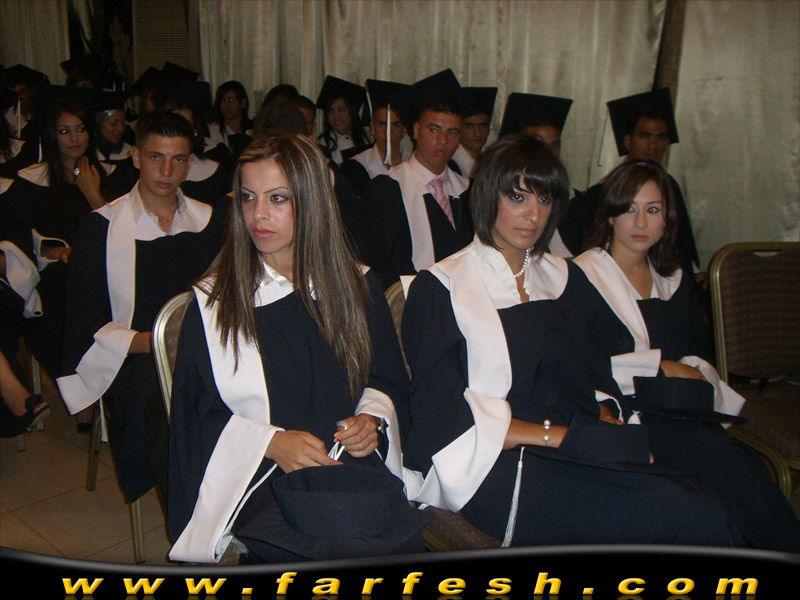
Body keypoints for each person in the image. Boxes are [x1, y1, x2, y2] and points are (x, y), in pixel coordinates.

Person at [401, 134, 739, 547]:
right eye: (518, 197)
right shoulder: (442, 287)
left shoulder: (563, 277)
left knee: (702, 494)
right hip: (493, 463)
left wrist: (603, 418)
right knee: (680, 512)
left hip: (573, 442)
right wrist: (561, 437)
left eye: (545, 200)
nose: (533, 215)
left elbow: (596, 371)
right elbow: (442, 422)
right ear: (488, 195)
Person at [167, 132, 414, 563]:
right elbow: (195, 418)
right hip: (261, 476)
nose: (258, 214)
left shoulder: (356, 286)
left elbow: (386, 377)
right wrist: (270, 442)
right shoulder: (214, 305)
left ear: (313, 202)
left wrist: (371, 418)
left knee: (394, 540)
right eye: (248, 197)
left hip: (348, 463)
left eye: (278, 198)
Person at [572, 160, 800, 553]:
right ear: (609, 215)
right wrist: (657, 367)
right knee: (723, 468)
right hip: (624, 411)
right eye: (629, 208)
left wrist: (689, 369)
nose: (640, 222)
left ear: (668, 218)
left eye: (653, 209)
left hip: (681, 409)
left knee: (738, 467)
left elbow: (699, 349)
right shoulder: (581, 277)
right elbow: (581, 363)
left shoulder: (672, 278)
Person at [57, 110, 226, 509]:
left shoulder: (210, 222)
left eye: (178, 159)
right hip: (136, 357)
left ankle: (237, 504)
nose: (166, 171)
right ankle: (193, 517)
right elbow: (86, 320)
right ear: (136, 156)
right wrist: (152, 343)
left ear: (190, 162)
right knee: (170, 410)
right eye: (155, 157)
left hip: (206, 349)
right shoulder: (101, 228)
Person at [358, 69, 473, 290]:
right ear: (417, 130)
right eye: (434, 130)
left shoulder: (469, 192)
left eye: (452, 133)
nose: (443, 140)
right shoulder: (384, 192)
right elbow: (372, 264)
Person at [498, 92, 583, 258]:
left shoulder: (575, 202)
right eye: (538, 144)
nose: (548, 153)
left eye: (555, 145)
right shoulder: (501, 198)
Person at [339, 79, 411, 196]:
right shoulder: (356, 167)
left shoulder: (413, 163)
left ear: (404, 130)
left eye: (395, 125)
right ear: (372, 128)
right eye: (382, 124)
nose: (388, 132)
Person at [315, 76, 371, 165]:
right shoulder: (325, 144)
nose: (336, 116)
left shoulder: (368, 137)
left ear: (352, 111)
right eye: (331, 111)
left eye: (341, 109)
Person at [449, 86, 496, 179]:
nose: (477, 133)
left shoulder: (492, 160)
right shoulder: (449, 163)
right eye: (469, 126)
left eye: (483, 126)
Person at [208, 80, 253, 162]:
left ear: (243, 103)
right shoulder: (212, 130)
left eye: (231, 100)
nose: (227, 105)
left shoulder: (253, 128)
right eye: (223, 101)